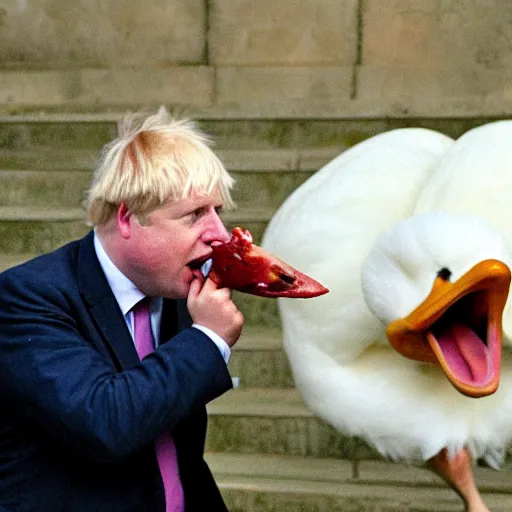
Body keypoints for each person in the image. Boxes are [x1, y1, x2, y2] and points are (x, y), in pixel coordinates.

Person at [0, 107, 244, 512]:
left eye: (218, 212)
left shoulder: (175, 290)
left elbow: (177, 454)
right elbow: (103, 423)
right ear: (128, 218)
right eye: (195, 215)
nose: (220, 234)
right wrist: (208, 338)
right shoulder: (25, 297)